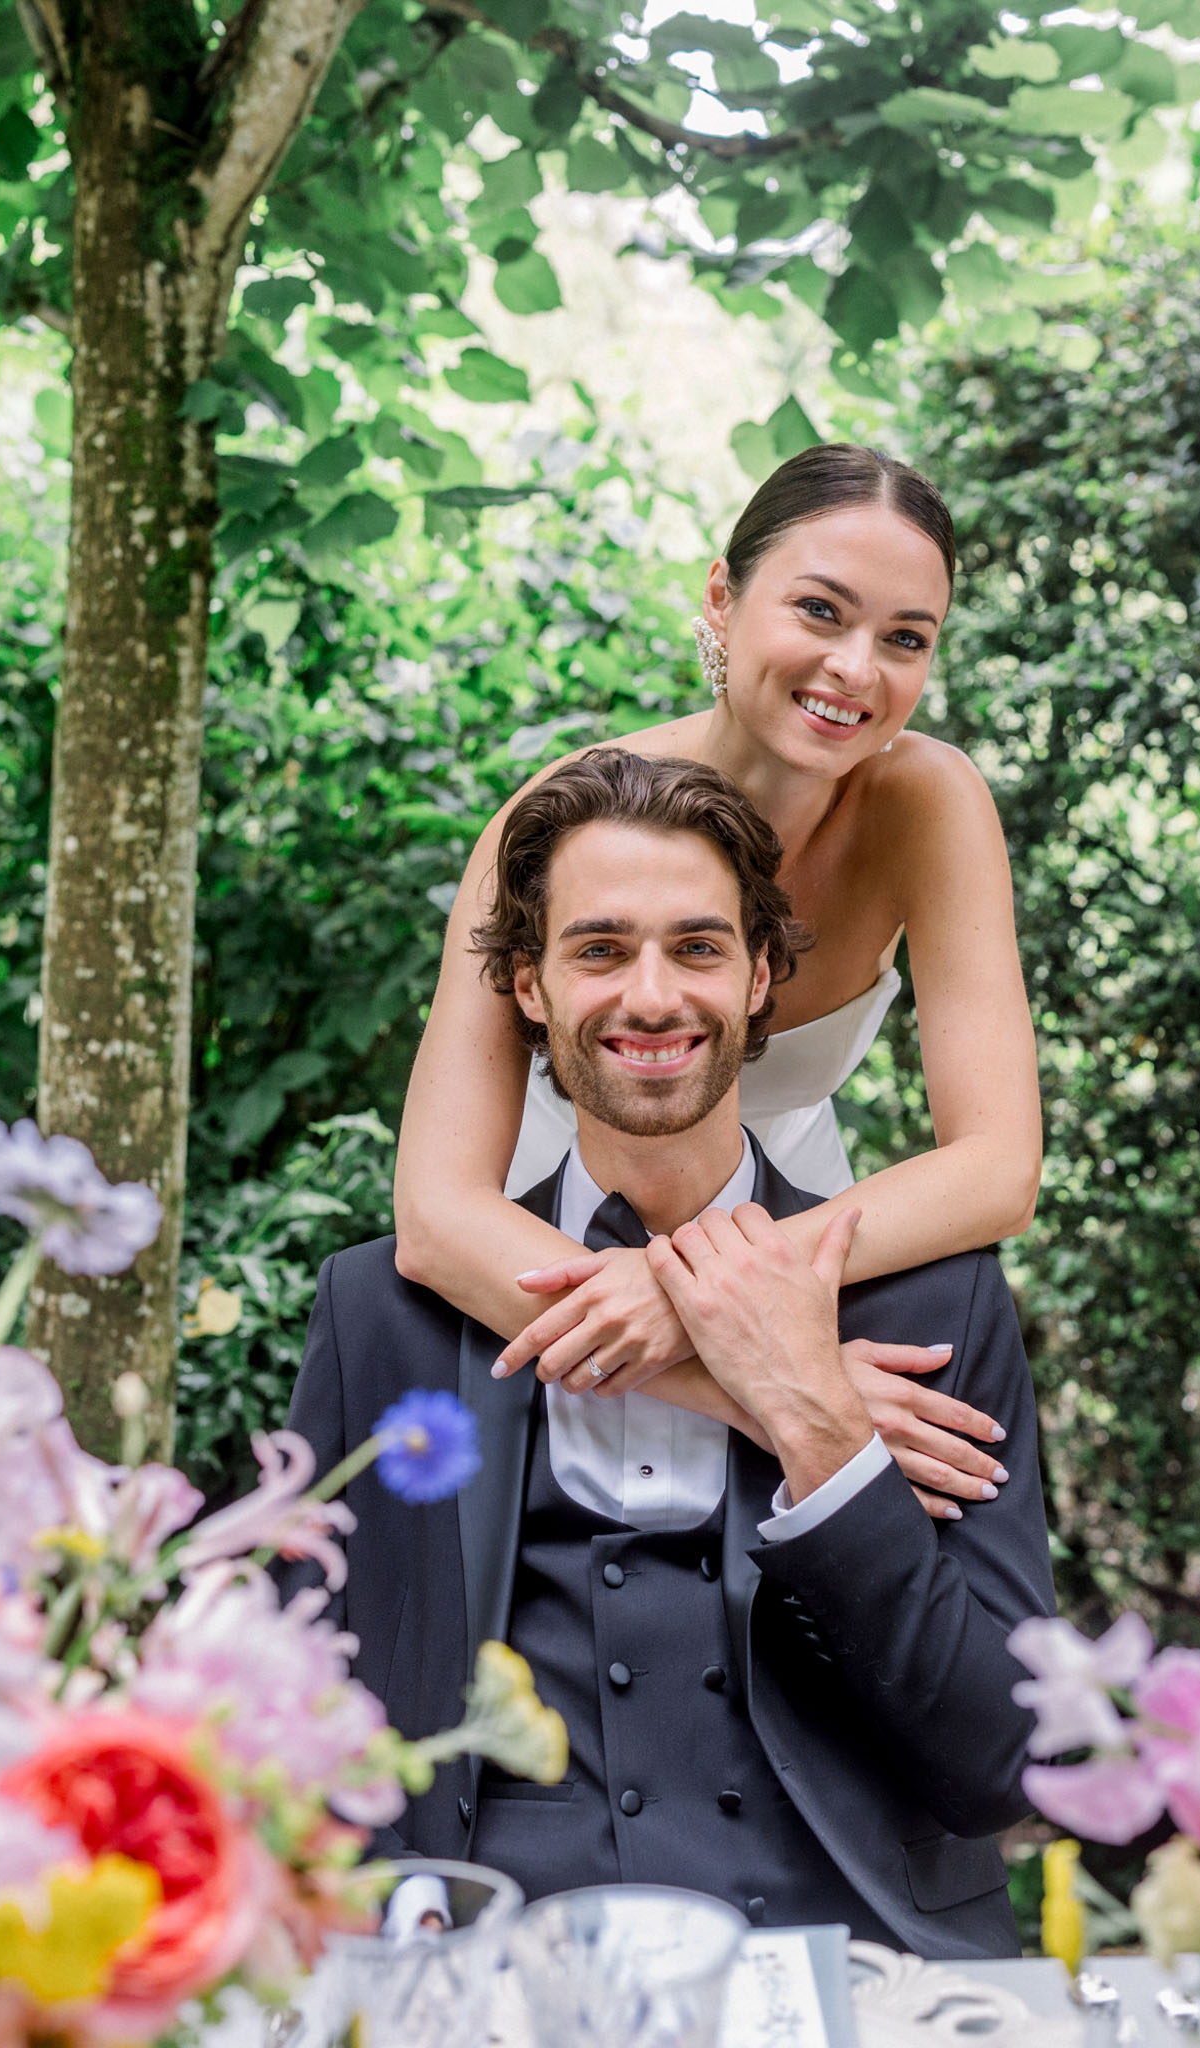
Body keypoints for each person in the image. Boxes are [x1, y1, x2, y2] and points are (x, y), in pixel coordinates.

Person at [287, 749, 1056, 1957]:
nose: (652, 997)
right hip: (485, 1981)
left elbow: (1005, 1763)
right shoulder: (381, 1313)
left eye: (697, 948)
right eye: (599, 949)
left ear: (759, 978)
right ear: (529, 984)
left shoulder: (936, 1301)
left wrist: (819, 1421)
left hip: (853, 1971)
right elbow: (300, 1724)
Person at [392, 443, 1039, 1519]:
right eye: (820, 611)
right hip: (558, 1215)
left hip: (793, 1208)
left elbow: (998, 1167)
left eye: (905, 638)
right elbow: (434, 1211)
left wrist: (701, 1285)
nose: (856, 669)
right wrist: (756, 1377)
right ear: (722, 599)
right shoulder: (557, 819)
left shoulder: (930, 804)